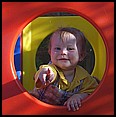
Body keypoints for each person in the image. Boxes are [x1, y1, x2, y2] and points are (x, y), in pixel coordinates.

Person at [29, 27, 99, 111]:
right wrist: (43, 74)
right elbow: (45, 71)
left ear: (81, 55)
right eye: (58, 48)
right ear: (50, 52)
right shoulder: (50, 69)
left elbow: (92, 91)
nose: (63, 52)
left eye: (70, 49)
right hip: (39, 110)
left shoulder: (84, 77)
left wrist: (79, 96)